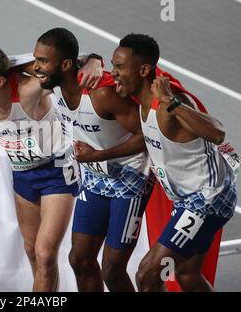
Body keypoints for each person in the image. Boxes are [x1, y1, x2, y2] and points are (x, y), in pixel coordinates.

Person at [111, 33, 238, 291]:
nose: (114, 73)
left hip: (207, 198)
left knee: (147, 276)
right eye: (114, 66)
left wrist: (173, 102)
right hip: (189, 199)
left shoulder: (169, 105)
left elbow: (217, 133)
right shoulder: (141, 104)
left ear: (144, 70)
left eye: (120, 67)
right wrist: (90, 60)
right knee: (187, 275)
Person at [31, 28, 154, 292]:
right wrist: (93, 57)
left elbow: (147, 136)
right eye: (36, 59)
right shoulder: (54, 86)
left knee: (112, 269)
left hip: (130, 183)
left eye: (42, 61)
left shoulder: (101, 94)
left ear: (65, 65)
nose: (36, 67)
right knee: (80, 260)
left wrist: (98, 155)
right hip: (95, 181)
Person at [0, 44, 83, 292]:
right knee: (31, 250)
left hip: (56, 172)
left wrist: (91, 61)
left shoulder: (30, 89)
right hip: (22, 174)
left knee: (45, 253)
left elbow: (63, 70)